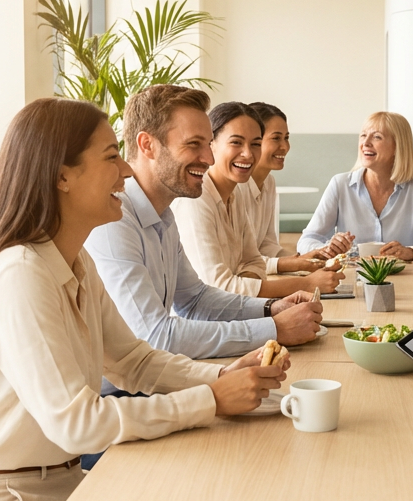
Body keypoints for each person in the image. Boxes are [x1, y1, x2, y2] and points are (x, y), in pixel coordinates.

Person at [0, 98, 288, 501]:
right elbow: (77, 423)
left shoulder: (74, 263)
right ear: (62, 176)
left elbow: (135, 361)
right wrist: (211, 400)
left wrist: (222, 378)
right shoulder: (18, 275)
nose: (124, 171)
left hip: (57, 490)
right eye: (111, 155)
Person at [85, 85, 323, 361]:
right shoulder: (115, 220)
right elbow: (155, 336)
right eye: (194, 144)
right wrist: (273, 329)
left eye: (208, 145)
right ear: (147, 145)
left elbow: (195, 300)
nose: (209, 159)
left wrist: (272, 308)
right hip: (123, 396)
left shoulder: (163, 213)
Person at [173, 101, 342, 296]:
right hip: (204, 322)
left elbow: (255, 262)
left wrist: (244, 280)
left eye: (255, 144)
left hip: (235, 311)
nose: (247, 153)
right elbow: (219, 288)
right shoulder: (195, 200)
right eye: (236, 142)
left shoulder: (233, 195)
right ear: (211, 144)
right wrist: (304, 284)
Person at [298, 111, 413, 261]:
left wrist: (412, 252)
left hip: (402, 279)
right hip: (352, 278)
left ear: (397, 147)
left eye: (377, 137)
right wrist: (328, 249)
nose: (365, 143)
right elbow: (306, 241)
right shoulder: (340, 185)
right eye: (363, 135)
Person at [239, 102, 330, 275]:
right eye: (276, 138)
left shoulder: (269, 183)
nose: (285, 147)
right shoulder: (235, 188)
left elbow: (268, 246)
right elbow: (239, 261)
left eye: (286, 138)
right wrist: (295, 264)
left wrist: (306, 260)